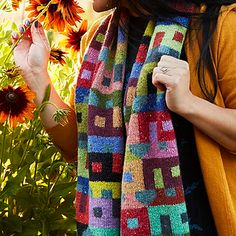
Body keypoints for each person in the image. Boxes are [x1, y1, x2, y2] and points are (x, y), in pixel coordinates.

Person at [12, 0, 236, 235]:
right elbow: (76, 145)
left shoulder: (220, 25)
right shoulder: (96, 41)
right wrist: (36, 75)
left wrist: (189, 104)